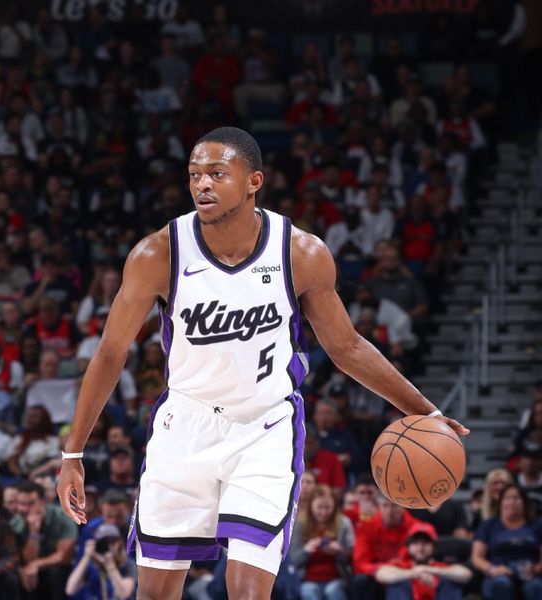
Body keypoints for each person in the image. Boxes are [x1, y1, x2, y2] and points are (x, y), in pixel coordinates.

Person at [56, 127, 467, 600]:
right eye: (194, 175)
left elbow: (346, 347)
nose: (202, 185)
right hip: (183, 426)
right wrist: (73, 453)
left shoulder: (300, 252)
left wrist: (425, 410)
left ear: (253, 181)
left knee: (248, 591)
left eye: (216, 173)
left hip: (264, 429)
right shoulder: (158, 254)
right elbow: (110, 352)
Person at [471, 484, 542, 600]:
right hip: (498, 575)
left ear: (524, 502)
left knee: (535, 586)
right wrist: (493, 569)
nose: (511, 502)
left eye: (516, 498)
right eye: (507, 498)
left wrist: (536, 568)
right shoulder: (488, 526)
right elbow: (477, 557)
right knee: (502, 584)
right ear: (501, 503)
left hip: (529, 576)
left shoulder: (537, 525)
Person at [290, 485, 354, 600]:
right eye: (319, 507)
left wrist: (339, 551)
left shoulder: (344, 524)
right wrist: (306, 551)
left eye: (328, 507)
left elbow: (351, 560)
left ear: (334, 507)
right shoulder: (300, 525)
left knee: (333, 591)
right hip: (307, 579)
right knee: (308, 592)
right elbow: (292, 560)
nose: (324, 512)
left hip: (336, 578)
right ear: (311, 506)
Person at [375, 531, 472, 600]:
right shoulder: (401, 565)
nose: (420, 548)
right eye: (415, 543)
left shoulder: (441, 567)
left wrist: (430, 570)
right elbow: (380, 575)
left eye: (425, 543)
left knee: (449, 581)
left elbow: (466, 575)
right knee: (397, 583)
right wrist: (414, 573)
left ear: (433, 547)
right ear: (408, 548)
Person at [65, 523, 137, 600]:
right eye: (104, 543)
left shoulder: (128, 565)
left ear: (120, 543)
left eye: (112, 542)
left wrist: (110, 565)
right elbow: (70, 590)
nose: (109, 546)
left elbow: (123, 595)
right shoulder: (91, 565)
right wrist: (86, 556)